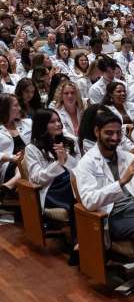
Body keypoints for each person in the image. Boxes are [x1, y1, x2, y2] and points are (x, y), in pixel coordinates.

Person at [74, 111, 134, 275]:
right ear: (97, 132)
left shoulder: (126, 157)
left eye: (118, 133)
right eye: (109, 133)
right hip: (113, 216)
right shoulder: (86, 163)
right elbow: (89, 201)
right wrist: (122, 181)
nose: (115, 138)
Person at [24, 109, 81, 263]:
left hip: (71, 181)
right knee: (76, 193)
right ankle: (79, 243)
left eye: (58, 120)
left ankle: (84, 243)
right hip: (52, 190)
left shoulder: (70, 141)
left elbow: (81, 168)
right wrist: (58, 163)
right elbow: (36, 178)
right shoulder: (32, 148)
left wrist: (67, 158)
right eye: (52, 122)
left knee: (79, 189)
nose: (58, 124)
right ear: (42, 125)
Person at [0, 94, 31, 194]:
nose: (20, 108)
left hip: (29, 159)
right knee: (23, 162)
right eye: (16, 105)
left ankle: (9, 186)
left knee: (26, 159)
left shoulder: (27, 123)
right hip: (9, 166)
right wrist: (12, 158)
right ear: (6, 109)